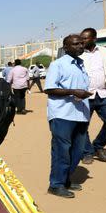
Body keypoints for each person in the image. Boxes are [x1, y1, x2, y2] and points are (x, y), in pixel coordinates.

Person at [43, 34, 91, 198]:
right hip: (62, 114)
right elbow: (49, 89)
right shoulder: (58, 64)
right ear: (66, 47)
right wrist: (72, 92)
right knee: (61, 151)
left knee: (77, 151)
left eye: (82, 43)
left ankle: (65, 179)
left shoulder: (81, 65)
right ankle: (56, 185)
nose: (80, 46)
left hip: (81, 114)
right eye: (76, 44)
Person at [79, 27, 106, 163]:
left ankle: (98, 145)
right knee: (83, 125)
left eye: (85, 38)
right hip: (84, 96)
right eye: (81, 38)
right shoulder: (78, 54)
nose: (82, 40)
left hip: (104, 94)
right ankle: (87, 152)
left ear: (94, 39)